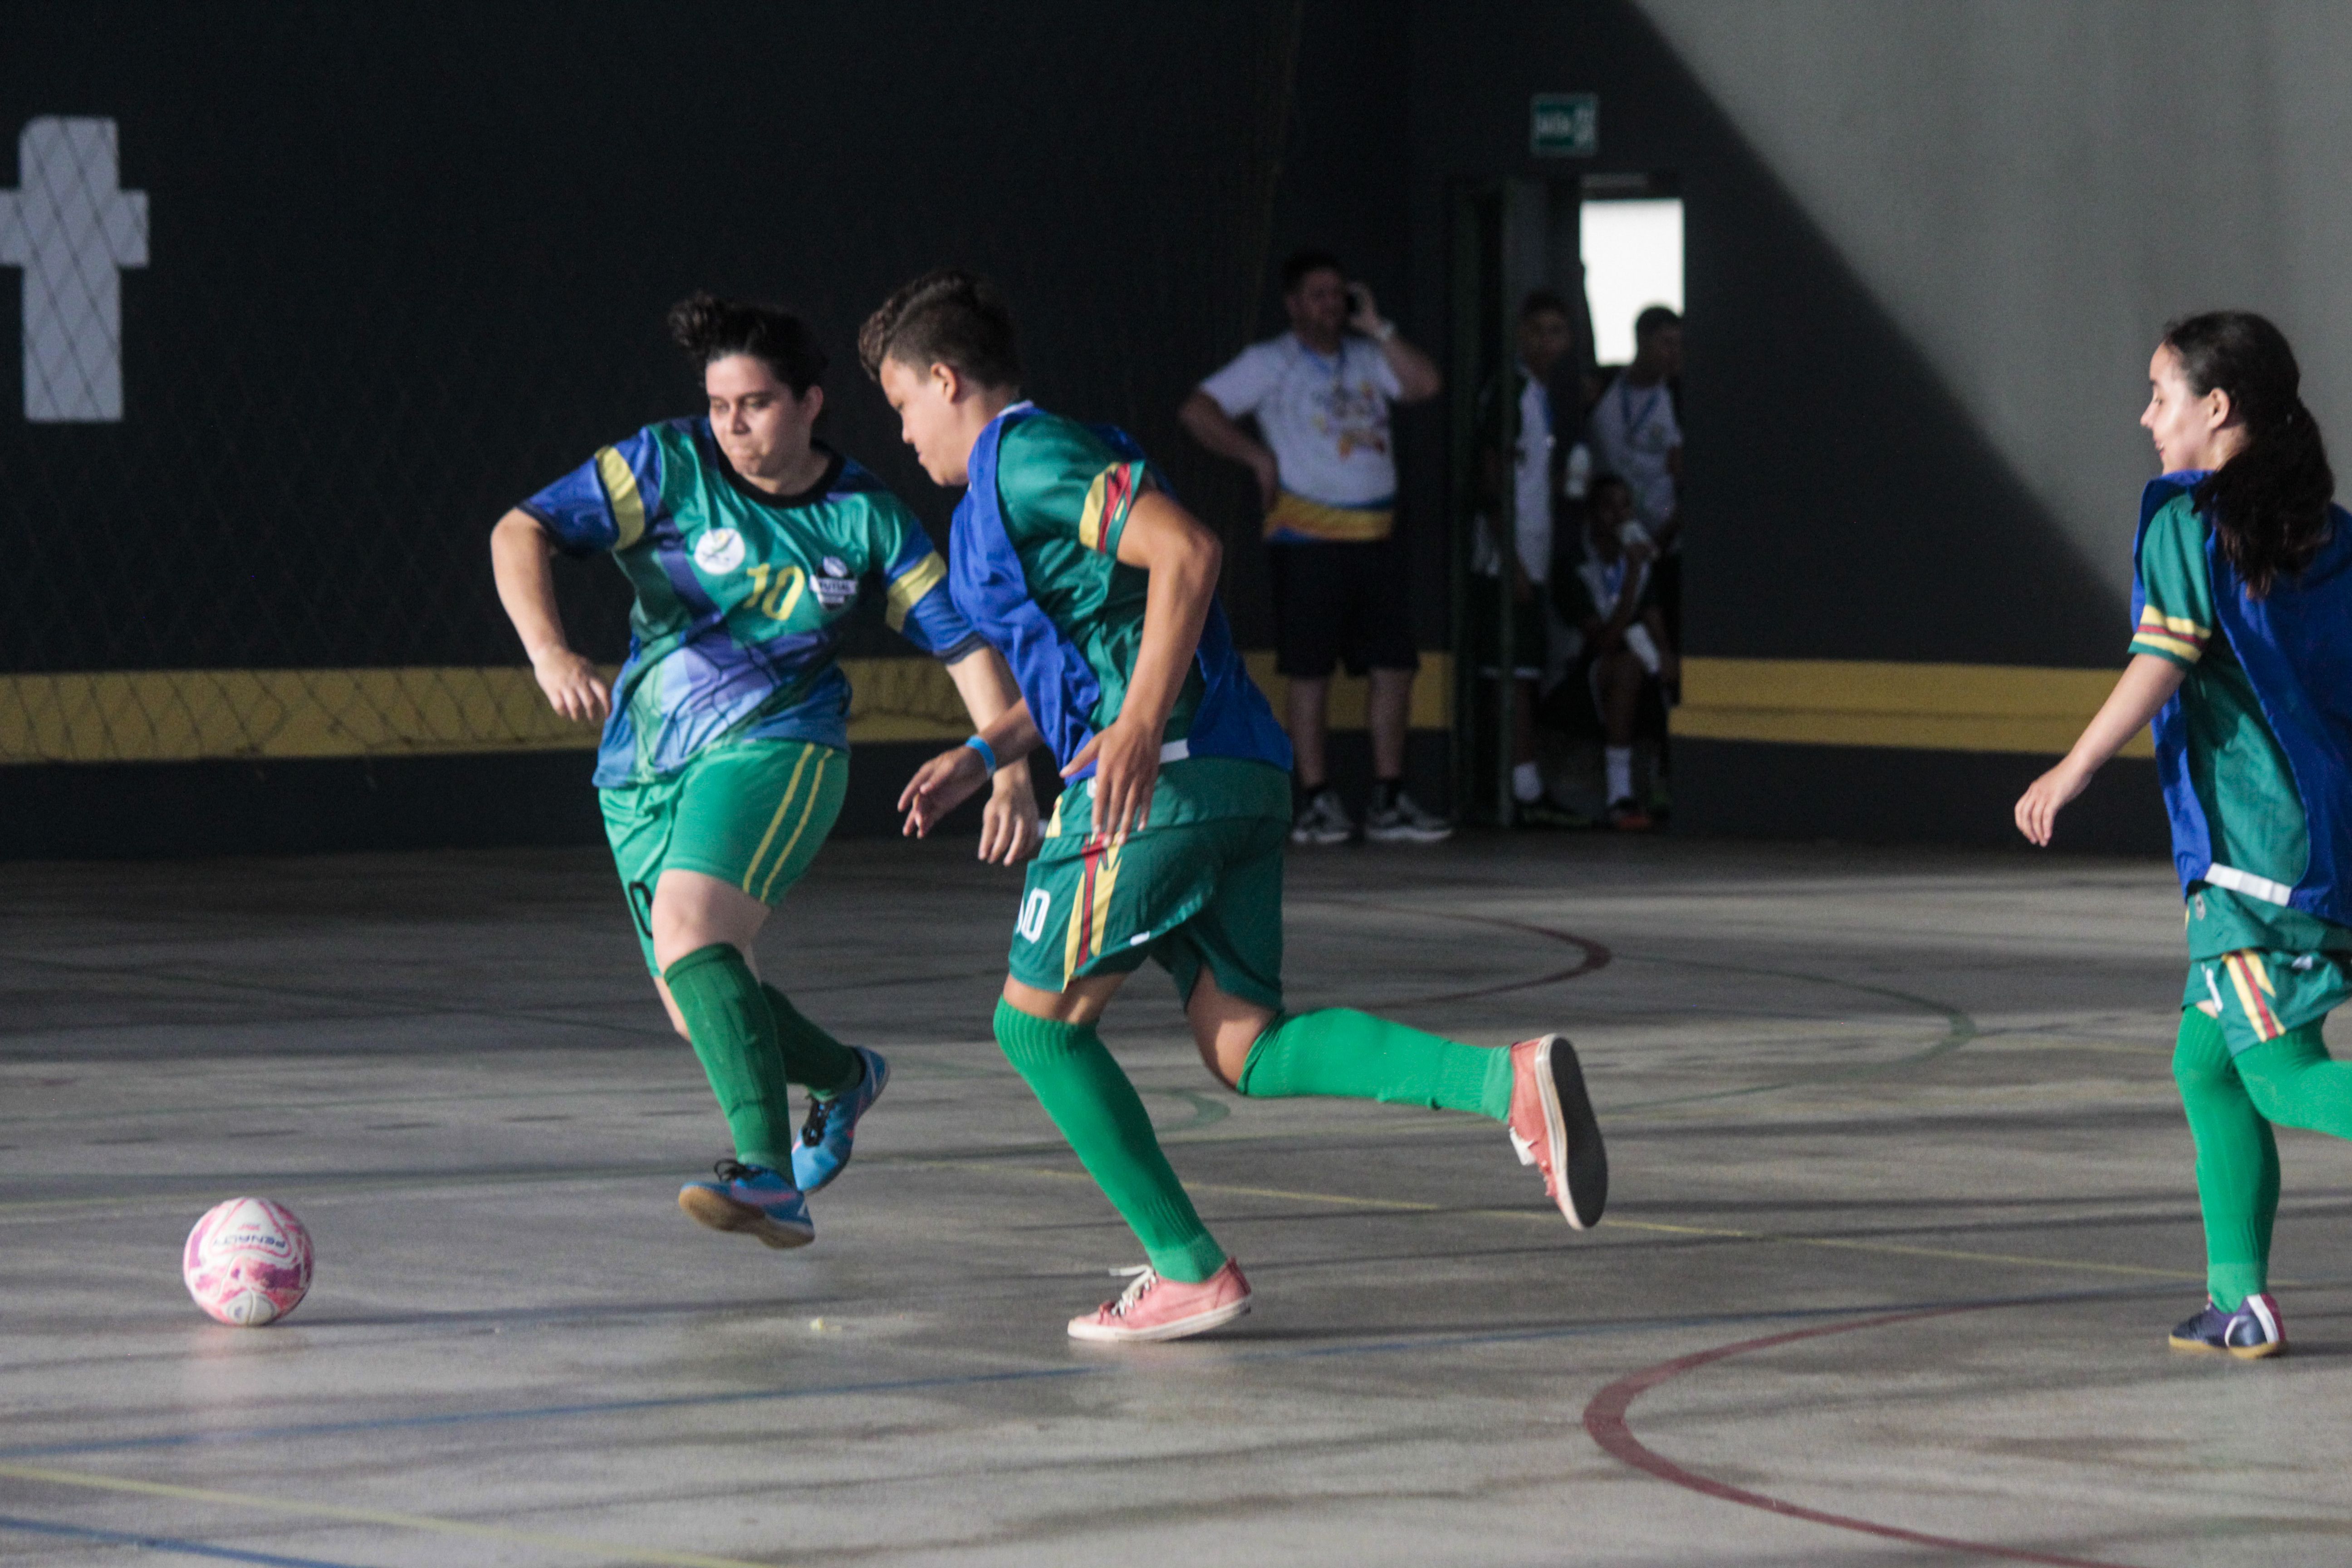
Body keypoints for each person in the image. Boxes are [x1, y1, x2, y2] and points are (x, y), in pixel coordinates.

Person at [864, 270, 1607, 1343]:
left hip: (1162, 774)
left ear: (945, 378)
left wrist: (1133, 725)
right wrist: (989, 749)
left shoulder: (1025, 456)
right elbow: (1091, 649)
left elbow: (1189, 552)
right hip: (1233, 775)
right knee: (1244, 1044)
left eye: (901, 407)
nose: (902, 434)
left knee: (1032, 1029)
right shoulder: (1012, 487)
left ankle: (1187, 1267)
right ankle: (1509, 1082)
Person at [490, 292, 1035, 1253]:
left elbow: (961, 645)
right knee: (696, 994)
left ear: (811, 403)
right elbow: (518, 531)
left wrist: (1007, 770)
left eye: (756, 405)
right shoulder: (666, 464)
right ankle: (840, 1078)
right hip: (644, 762)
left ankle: (768, 1176)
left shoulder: (863, 515)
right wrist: (550, 654)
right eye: (720, 405)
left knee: (694, 934)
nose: (734, 426)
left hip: (782, 745)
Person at [2016, 310, 2352, 1360]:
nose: (2144, 417)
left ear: (2216, 409)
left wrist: (2069, 767)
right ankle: (2235, 1299)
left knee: (2278, 1072)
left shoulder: (2184, 517)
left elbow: (2163, 655)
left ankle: (2239, 1298)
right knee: (2202, 1063)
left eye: (2160, 396)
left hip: (2254, 859)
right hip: (2317, 840)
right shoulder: (2329, 532)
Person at [1178, 248, 1450, 846]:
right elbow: (1198, 410)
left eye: (1339, 294)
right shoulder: (1271, 362)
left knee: (1394, 667)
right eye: (1320, 295)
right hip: (1307, 538)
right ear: (1295, 303)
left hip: (1377, 536)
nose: (1331, 305)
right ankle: (1318, 798)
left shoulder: (1367, 355)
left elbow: (1426, 384)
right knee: (1309, 669)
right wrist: (1256, 457)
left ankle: (1388, 795)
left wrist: (1377, 325)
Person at [1474, 290, 1582, 826]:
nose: (1547, 340)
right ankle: (1516, 786)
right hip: (1507, 560)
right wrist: (1510, 559)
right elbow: (1491, 474)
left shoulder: (1541, 393)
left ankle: (1525, 780)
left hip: (1534, 554)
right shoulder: (1511, 390)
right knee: (1511, 670)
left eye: (1557, 330)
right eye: (1537, 329)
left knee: (1530, 667)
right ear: (1520, 333)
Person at [1556, 474, 1677, 829]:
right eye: (1608, 506)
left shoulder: (1637, 561)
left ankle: (1665, 784)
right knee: (1626, 666)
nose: (1619, 515)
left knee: (1672, 669)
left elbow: (1655, 622)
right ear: (1592, 513)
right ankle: (1619, 796)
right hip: (1575, 676)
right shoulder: (1573, 565)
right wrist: (1632, 575)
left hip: (1630, 667)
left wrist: (1668, 659)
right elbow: (1603, 643)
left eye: (1626, 506)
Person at [1586, 305, 1684, 641]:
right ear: (1642, 341)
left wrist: (1666, 534)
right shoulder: (1605, 385)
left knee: (1662, 631)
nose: (1674, 353)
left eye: (1679, 345)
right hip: (1607, 540)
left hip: (1663, 540)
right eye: (1666, 343)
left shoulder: (1679, 397)